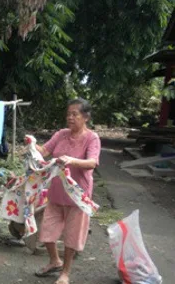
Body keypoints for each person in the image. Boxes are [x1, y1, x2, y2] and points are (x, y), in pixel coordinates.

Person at [34, 98, 101, 284]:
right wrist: (32, 144)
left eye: (75, 114)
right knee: (47, 232)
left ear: (85, 117)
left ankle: (65, 273)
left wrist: (72, 160)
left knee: (72, 236)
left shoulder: (91, 138)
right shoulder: (61, 134)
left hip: (78, 195)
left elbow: (92, 163)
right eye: (68, 114)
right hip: (56, 192)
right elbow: (44, 151)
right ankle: (55, 260)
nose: (70, 117)